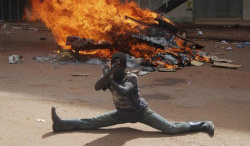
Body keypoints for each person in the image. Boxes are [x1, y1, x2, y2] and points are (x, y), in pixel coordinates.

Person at [52, 52, 214, 136]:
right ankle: (61, 124)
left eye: (118, 67)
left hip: (141, 113)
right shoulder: (110, 77)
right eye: (114, 66)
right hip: (121, 114)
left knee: (169, 128)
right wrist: (107, 76)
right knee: (91, 123)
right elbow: (96, 87)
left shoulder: (131, 77)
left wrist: (110, 78)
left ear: (123, 67)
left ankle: (202, 124)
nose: (117, 69)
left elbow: (123, 90)